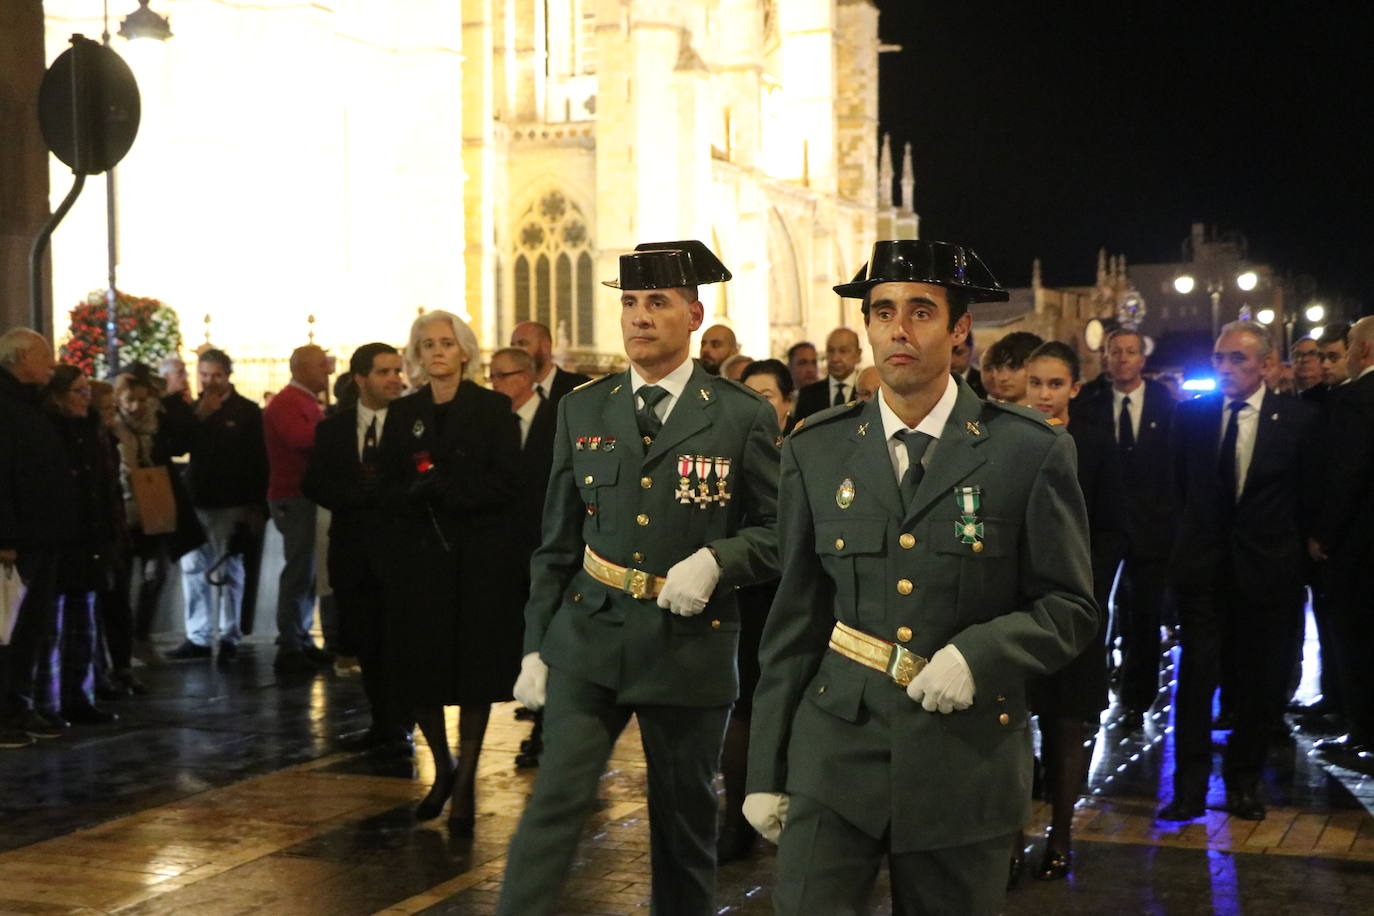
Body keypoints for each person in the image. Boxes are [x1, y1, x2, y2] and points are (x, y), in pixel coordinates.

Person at [745, 239, 1097, 915]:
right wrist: (766, 768)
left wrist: (981, 653)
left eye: (921, 311)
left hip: (963, 759)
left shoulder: (1029, 451)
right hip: (835, 751)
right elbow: (794, 620)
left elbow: (1070, 605)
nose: (897, 329)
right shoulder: (817, 449)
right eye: (881, 311)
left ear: (960, 328)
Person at [496, 240, 779, 915]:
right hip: (590, 636)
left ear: (693, 313)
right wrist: (536, 642)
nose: (640, 317)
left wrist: (719, 560)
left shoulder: (740, 415)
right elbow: (557, 542)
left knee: (682, 824)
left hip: (689, 644)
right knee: (555, 803)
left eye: (657, 303)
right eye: (629, 303)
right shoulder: (584, 408)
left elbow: (778, 533)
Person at [1159, 321, 1317, 822]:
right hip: (1204, 573)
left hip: (1268, 574)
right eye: (1220, 359)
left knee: (1257, 684)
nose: (1225, 369)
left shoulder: (1298, 421)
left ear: (1267, 365)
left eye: (1237, 360)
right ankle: (1188, 786)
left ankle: (1244, 782)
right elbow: (1181, 492)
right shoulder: (1192, 417)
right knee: (1196, 680)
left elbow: (1307, 496)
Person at [379, 310, 522, 830]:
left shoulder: (491, 408)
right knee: (422, 670)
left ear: (464, 351)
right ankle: (442, 765)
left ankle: (465, 782)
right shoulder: (404, 413)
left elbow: (508, 482)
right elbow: (387, 484)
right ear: (416, 355)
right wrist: (410, 493)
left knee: (475, 671)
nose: (437, 351)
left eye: (446, 343)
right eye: (427, 344)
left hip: (476, 557)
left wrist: (455, 493)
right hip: (420, 562)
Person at [1023, 342, 1125, 880]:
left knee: (1067, 724)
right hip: (1017, 603)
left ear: (1074, 389)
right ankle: (1012, 834)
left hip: (1076, 604)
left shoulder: (1096, 445)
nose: (1043, 394)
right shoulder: (1006, 439)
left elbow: (1112, 525)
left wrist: (1084, 584)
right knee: (1013, 723)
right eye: (1035, 382)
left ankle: (1060, 833)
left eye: (1055, 384)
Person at [303, 343, 411, 755]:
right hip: (354, 551)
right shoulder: (334, 428)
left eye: (398, 371)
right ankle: (383, 719)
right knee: (367, 640)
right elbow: (314, 482)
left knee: (400, 641)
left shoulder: (412, 422)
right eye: (384, 372)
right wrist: (352, 495)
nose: (394, 380)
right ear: (360, 379)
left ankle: (403, 716)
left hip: (400, 551)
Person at [1070, 327, 1176, 730]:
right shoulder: (1091, 404)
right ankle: (1094, 689)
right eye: (1116, 352)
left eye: (1131, 352)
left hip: (1151, 526)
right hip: (1102, 525)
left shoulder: (1165, 404)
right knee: (1096, 608)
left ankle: (1137, 697)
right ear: (1106, 357)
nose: (1123, 359)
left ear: (1142, 359)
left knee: (1145, 616)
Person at [716, 358, 793, 862]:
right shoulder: (729, 450)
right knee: (741, 709)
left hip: (792, 595)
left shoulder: (809, 450)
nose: (760, 406)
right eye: (751, 396)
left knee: (787, 709)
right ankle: (737, 819)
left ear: (787, 404)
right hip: (746, 594)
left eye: (768, 396)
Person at [1, 328, 77, 744]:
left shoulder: (30, 405)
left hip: (41, 533)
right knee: (7, 631)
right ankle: (5, 714)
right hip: (18, 540)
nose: (51, 363)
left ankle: (20, 703)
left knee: (31, 628)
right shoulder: (6, 405)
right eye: (44, 356)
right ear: (19, 359)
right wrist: (5, 536)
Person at [170, 349, 269, 661]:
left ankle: (230, 633)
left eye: (215, 376)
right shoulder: (192, 409)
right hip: (197, 499)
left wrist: (256, 505)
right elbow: (177, 446)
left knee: (229, 568)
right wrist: (199, 416)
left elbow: (258, 461)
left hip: (232, 500)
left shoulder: (248, 412)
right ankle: (197, 635)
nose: (209, 382)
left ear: (228, 376)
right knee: (193, 568)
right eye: (204, 376)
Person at [37, 366, 121, 726]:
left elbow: (104, 487)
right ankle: (49, 700)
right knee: (52, 627)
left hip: (89, 538)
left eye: (88, 391)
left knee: (84, 623)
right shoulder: (49, 432)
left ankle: (79, 696)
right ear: (57, 396)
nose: (86, 398)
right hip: (60, 538)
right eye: (78, 391)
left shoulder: (92, 432)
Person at [487, 346, 558, 768]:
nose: (496, 384)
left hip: (545, 546)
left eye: (503, 375)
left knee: (547, 639)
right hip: (504, 552)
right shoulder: (493, 423)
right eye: (491, 376)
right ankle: (534, 711)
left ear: (528, 376)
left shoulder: (555, 419)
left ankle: (547, 726)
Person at [1309, 316, 1374, 764]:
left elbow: (1344, 475)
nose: (1346, 353)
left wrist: (1321, 534)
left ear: (1365, 351)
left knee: (1355, 640)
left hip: (1358, 546)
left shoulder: (1354, 400)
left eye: (1349, 345)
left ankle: (1363, 735)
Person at [264, 344, 333, 674]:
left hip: (303, 495)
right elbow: (299, 438)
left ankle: (301, 637)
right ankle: (290, 643)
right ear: (303, 368)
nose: (328, 370)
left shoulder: (301, 401)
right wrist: (334, 430)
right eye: (322, 365)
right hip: (294, 496)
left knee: (307, 573)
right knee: (298, 571)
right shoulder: (289, 403)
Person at [510, 320, 591, 404]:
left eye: (522, 344)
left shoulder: (579, 388)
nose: (516, 351)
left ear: (545, 346)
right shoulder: (509, 392)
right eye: (512, 345)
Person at [793, 327, 863, 421]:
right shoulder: (808, 394)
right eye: (830, 351)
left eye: (843, 351)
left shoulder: (869, 392)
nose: (835, 358)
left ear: (858, 354)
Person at [982, 330, 1043, 405]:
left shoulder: (1050, 415)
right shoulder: (984, 413)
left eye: (1013, 368)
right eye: (999, 368)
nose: (1002, 378)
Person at [952, 328, 987, 397]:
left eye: (959, 353)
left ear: (971, 350)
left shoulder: (985, 382)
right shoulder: (933, 382)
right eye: (947, 353)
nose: (952, 360)